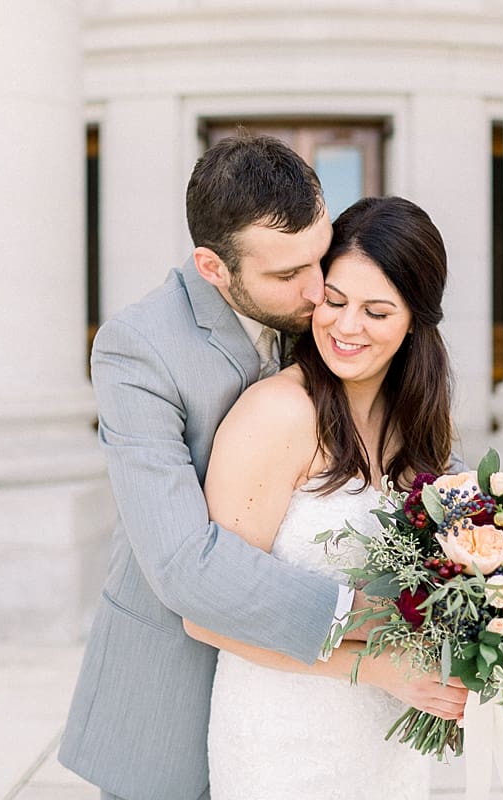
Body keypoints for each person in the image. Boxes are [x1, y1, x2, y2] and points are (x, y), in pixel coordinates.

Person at [58, 134, 465, 800]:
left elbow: (400, 440)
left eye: (320, 256)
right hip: (177, 680)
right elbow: (184, 566)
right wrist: (380, 633)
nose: (317, 294)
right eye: (288, 276)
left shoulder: (332, 302)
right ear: (215, 268)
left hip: (337, 715)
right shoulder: (139, 350)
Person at [185, 195, 458, 799]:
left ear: (415, 320)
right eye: (334, 301)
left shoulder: (419, 431)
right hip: (284, 740)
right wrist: (380, 666)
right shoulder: (277, 413)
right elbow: (209, 612)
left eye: (377, 311)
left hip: (388, 741)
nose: (346, 326)